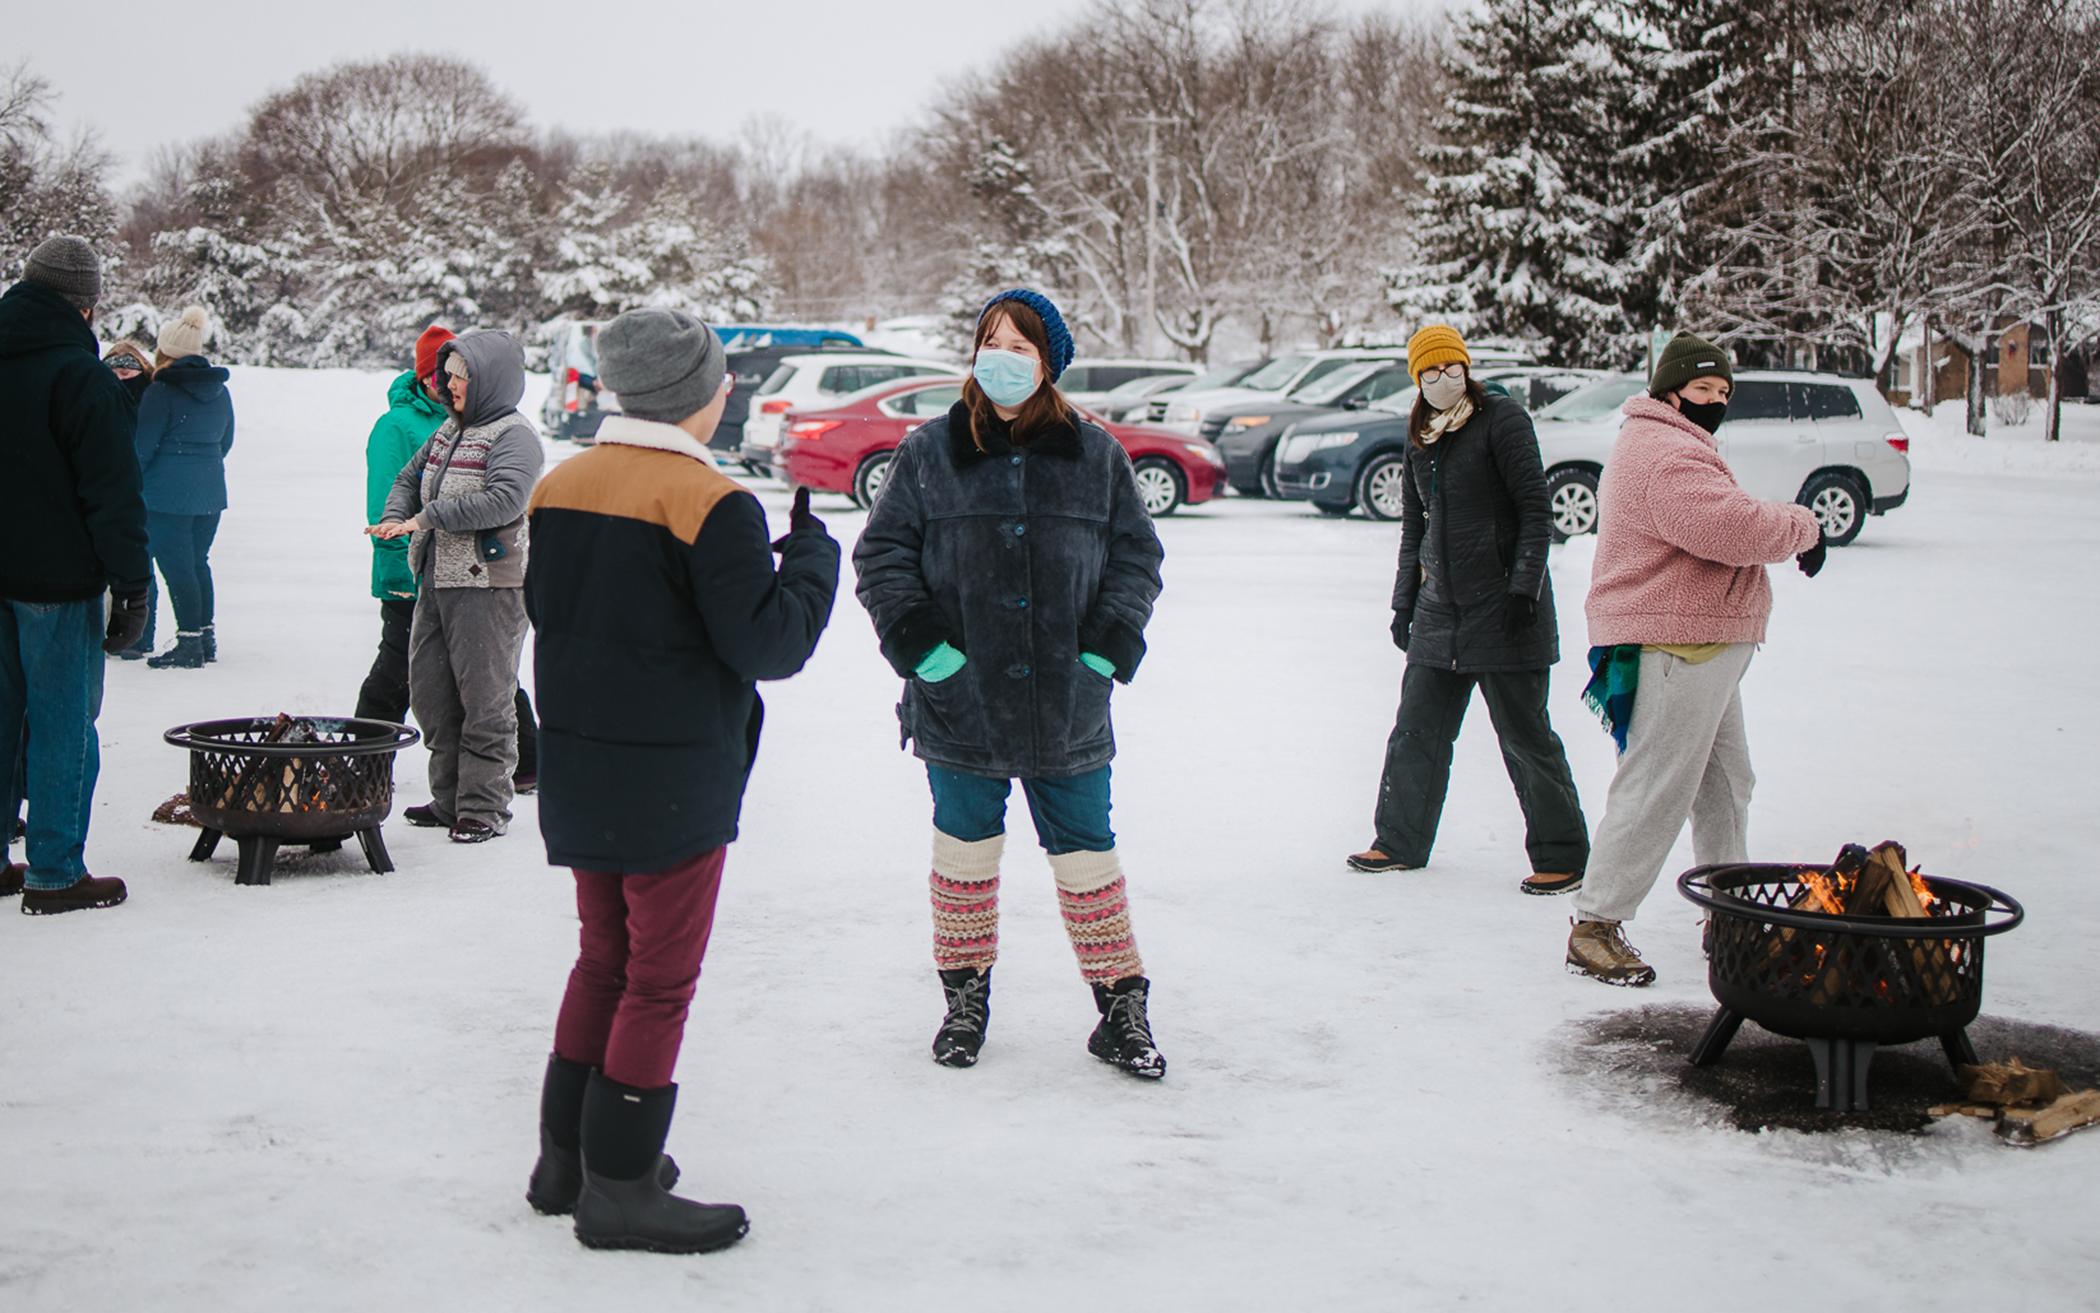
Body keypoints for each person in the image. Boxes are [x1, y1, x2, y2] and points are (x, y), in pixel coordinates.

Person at [522, 307, 837, 1254]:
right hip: (673, 782)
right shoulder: (710, 501)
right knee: (658, 980)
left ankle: (566, 1161)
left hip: (582, 762)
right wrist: (814, 565)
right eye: (721, 378)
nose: (730, 390)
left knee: (601, 959)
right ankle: (619, 1186)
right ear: (693, 394)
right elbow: (768, 645)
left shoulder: (560, 483)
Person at [854, 288, 1169, 1079]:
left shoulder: (1096, 455)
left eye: (1020, 346)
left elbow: (1138, 559)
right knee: (964, 855)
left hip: (1069, 705)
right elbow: (882, 559)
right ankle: (965, 999)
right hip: (961, 707)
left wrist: (1102, 653)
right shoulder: (931, 451)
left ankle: (1120, 1007)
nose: (1000, 357)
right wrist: (930, 657)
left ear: (1048, 363)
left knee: (1088, 855)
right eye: (990, 340)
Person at [1564, 332, 1826, 986]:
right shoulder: (1664, 453)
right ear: (1669, 388)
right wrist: (1805, 527)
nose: (1714, 400)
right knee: (1657, 783)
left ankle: (1731, 914)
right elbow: (1730, 527)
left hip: (1700, 640)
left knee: (1724, 784)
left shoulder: (1670, 442)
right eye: (1703, 389)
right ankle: (1595, 924)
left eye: (1722, 392)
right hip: (1677, 643)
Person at [1346, 324, 1590, 894]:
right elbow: (1415, 525)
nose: (1441, 379)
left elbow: (1536, 509)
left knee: (1524, 736)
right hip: (1440, 614)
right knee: (1416, 731)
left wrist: (1524, 589)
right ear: (1417, 379)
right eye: (1428, 373)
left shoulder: (1502, 420)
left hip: (1505, 610)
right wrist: (1403, 602)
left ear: (1466, 368)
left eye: (1450, 368)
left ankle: (1563, 856)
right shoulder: (1419, 434)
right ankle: (1398, 842)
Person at [0, 235, 150, 913]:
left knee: (3, 716)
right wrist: (134, 584)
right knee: (63, 722)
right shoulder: (78, 375)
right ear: (86, 305)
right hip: (56, 583)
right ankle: (55, 870)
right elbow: (112, 493)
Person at [370, 330, 542, 843]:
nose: (449, 385)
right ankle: (448, 799)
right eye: (447, 376)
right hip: (436, 579)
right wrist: (398, 514)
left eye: (459, 376)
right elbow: (407, 478)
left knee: (486, 699)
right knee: (432, 695)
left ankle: (483, 809)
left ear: (489, 380)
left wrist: (427, 518)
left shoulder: (514, 435)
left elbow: (505, 499)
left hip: (489, 584)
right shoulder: (449, 429)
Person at [132, 305, 234, 669]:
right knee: (197, 563)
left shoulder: (161, 392)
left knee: (176, 568)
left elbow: (143, 446)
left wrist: (132, 482)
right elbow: (226, 441)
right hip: (210, 492)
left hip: (166, 495)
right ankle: (205, 638)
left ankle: (189, 644)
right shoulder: (219, 391)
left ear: (165, 351)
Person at [100, 341, 156, 659]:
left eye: (127, 372)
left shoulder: (149, 399)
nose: (121, 379)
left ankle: (140, 635)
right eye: (114, 373)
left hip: (144, 491)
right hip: (110, 490)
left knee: (140, 569)